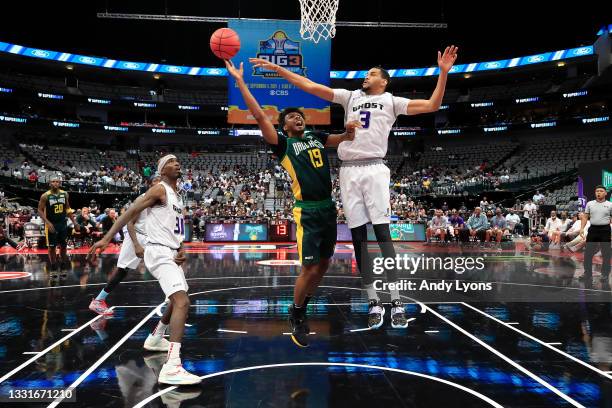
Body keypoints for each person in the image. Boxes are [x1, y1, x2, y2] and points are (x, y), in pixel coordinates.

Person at [251, 46, 459, 329]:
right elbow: (310, 86)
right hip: (348, 171)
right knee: (359, 239)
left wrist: (443, 73)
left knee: (383, 235)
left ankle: (396, 301)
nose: (366, 75)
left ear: (383, 81)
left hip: (374, 167)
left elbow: (433, 105)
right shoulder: (350, 97)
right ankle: (373, 301)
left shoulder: (392, 100)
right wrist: (280, 71)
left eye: (372, 73)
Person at [226, 59, 359, 346]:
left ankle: (303, 303)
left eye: (301, 115)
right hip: (308, 212)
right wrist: (240, 81)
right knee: (309, 268)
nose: (298, 117)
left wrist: (348, 134)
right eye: (292, 117)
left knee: (323, 265)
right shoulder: (283, 145)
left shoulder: (315, 136)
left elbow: (337, 139)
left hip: (327, 208)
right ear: (284, 127)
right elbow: (261, 117)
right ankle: (296, 313)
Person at [89, 156, 200, 385]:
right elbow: (130, 214)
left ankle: (156, 337)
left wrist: (180, 248)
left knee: (179, 297)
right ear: (161, 171)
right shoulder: (159, 189)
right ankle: (172, 366)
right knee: (182, 302)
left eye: (178, 161)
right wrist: (107, 238)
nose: (177, 163)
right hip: (158, 252)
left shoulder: (176, 196)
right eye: (171, 162)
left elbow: (172, 228)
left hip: (169, 251)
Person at [90, 175, 162, 316]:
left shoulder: (161, 199)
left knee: (166, 264)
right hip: (136, 234)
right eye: (155, 181)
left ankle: (173, 298)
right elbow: (129, 223)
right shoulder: (142, 199)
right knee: (122, 270)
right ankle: (98, 300)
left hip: (151, 237)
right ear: (149, 184)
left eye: (161, 181)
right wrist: (136, 245)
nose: (159, 183)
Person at [37, 176, 79, 278]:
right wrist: (47, 222)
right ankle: (53, 267)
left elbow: (68, 208)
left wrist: (74, 222)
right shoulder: (45, 196)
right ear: (49, 183)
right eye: (53, 181)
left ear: (60, 183)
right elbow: (39, 210)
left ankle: (63, 266)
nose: (55, 183)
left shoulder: (65, 194)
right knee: (52, 247)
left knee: (63, 246)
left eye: (57, 182)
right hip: (51, 225)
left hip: (62, 224)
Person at [580, 185, 612, 283]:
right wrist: (581, 228)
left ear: (605, 193)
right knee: (588, 253)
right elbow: (585, 217)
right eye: (597, 191)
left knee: (606, 254)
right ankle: (587, 273)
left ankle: (605, 274)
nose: (598, 193)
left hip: (605, 230)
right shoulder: (590, 204)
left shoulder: (610, 204)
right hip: (593, 230)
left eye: (601, 191)